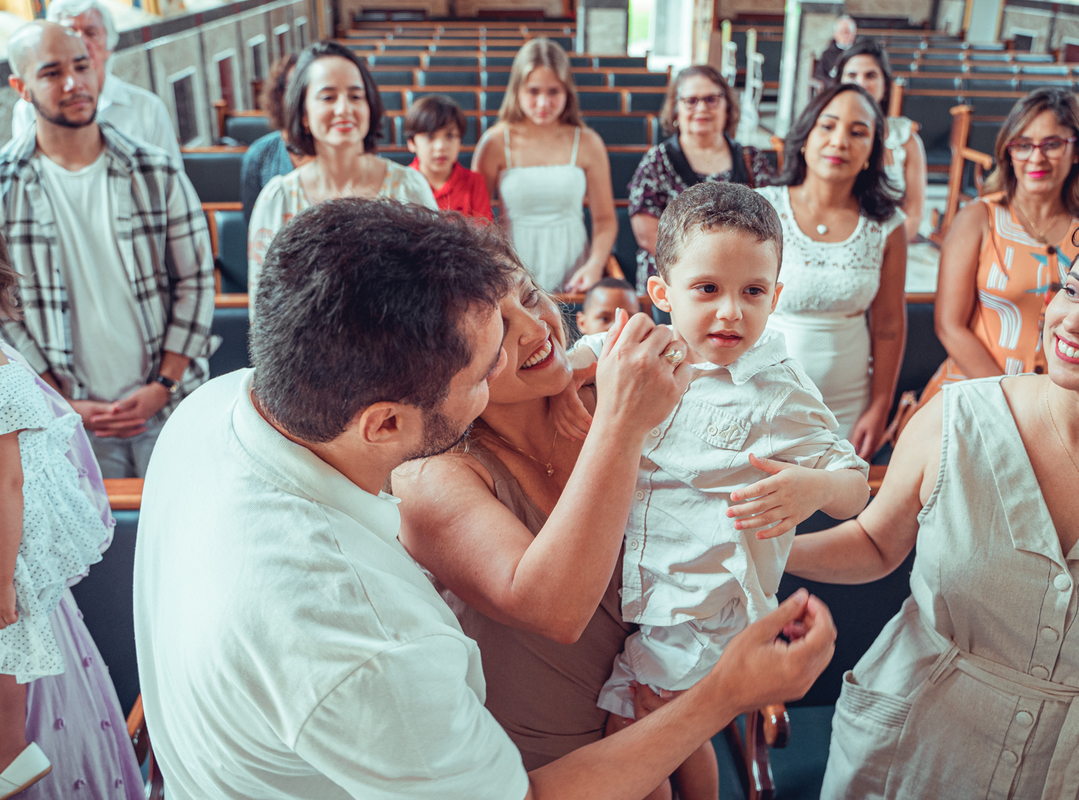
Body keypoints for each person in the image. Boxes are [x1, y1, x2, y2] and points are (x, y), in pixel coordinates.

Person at [134, 197, 837, 799]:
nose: (527, 339)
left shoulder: (225, 404)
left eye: (526, 300)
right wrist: (724, 695)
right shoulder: (361, 638)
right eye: (484, 363)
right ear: (387, 425)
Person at [788, 194, 1079, 799]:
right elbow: (876, 543)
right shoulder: (956, 418)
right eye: (1071, 289)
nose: (1072, 322)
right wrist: (767, 544)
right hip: (914, 748)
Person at [564, 182, 870, 800]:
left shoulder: (778, 386)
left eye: (752, 292)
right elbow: (570, 362)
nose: (731, 311)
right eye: (707, 289)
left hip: (702, 603)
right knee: (666, 731)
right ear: (662, 294)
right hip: (632, 585)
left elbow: (856, 486)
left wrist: (812, 486)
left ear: (776, 297)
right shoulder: (644, 348)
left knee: (639, 727)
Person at [1, 21, 215, 479]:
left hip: (169, 402)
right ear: (21, 87)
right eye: (52, 72)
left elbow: (195, 279)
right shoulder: (4, 187)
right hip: (66, 417)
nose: (75, 83)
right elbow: (3, 311)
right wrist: (57, 395)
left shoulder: (154, 171)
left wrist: (163, 382)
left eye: (82, 66)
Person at [0, 250, 142, 800]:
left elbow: (8, 484)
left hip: (9, 555)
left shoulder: (2, 371)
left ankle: (12, 761)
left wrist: (3, 583)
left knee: (11, 649)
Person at [921, 88, 1079, 403]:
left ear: (1076, 151)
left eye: (1052, 144)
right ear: (1009, 152)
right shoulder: (977, 218)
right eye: (1024, 145)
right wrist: (1011, 400)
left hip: (1060, 402)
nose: (1036, 157)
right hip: (977, 390)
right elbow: (949, 326)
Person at [756, 84, 907, 456]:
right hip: (758, 394)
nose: (840, 141)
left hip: (845, 406)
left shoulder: (887, 225)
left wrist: (880, 405)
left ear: (872, 152)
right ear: (805, 138)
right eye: (828, 126)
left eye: (858, 133)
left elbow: (888, 324)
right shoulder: (761, 209)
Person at [247, 40, 436, 305]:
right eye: (328, 97)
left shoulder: (408, 188)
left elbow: (434, 291)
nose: (344, 109)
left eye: (356, 96)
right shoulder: (278, 198)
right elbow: (262, 308)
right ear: (303, 114)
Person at [472, 38, 616, 292]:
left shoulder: (588, 142)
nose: (543, 104)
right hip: (513, 267)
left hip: (573, 267)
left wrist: (594, 265)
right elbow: (476, 217)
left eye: (553, 92)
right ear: (517, 90)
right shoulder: (494, 142)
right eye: (534, 91)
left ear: (567, 92)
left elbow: (605, 219)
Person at [627, 65, 776, 291]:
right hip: (675, 278)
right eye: (691, 101)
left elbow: (771, 221)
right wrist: (707, 267)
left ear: (727, 105)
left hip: (742, 275)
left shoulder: (751, 159)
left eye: (711, 99)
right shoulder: (657, 161)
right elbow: (647, 234)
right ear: (676, 109)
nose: (702, 108)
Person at [11, 0, 182, 169]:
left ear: (110, 45)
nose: (80, 43)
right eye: (69, 32)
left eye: (90, 33)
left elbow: (170, 178)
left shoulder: (148, 108)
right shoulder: (28, 109)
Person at [835, 40, 926, 242]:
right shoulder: (825, 137)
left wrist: (884, 253)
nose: (861, 83)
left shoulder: (906, 140)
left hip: (887, 245)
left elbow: (914, 214)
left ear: (885, 85)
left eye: (871, 75)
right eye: (852, 75)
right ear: (840, 83)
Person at [240, 54, 310, 226]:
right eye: (294, 88)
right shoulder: (259, 156)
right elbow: (255, 224)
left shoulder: (337, 152)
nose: (303, 98)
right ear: (279, 95)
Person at [404, 94, 493, 221]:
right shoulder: (401, 182)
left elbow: (484, 236)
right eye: (430, 137)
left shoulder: (474, 183)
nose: (440, 146)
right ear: (411, 143)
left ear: (460, 141)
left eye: (450, 136)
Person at [815, 15, 856, 92]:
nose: (845, 35)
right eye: (842, 32)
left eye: (848, 31)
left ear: (853, 34)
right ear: (835, 34)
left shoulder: (859, 53)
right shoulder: (827, 54)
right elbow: (819, 75)